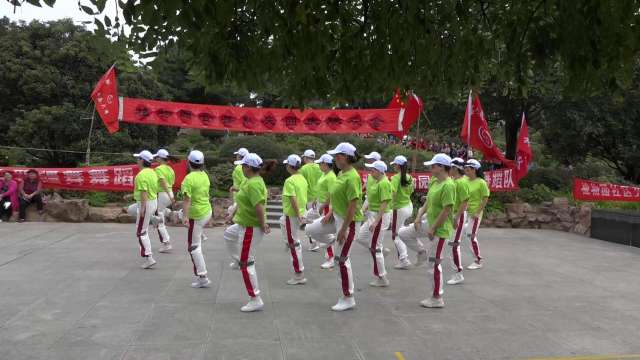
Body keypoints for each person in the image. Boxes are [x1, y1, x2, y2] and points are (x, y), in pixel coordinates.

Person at [305, 142, 363, 311]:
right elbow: (337, 197)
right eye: (335, 156)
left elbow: (353, 205)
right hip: (336, 217)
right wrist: (331, 212)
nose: (335, 159)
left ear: (347, 157)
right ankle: (332, 242)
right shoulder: (341, 174)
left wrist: (344, 229)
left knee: (341, 260)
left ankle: (348, 297)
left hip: (349, 222)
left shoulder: (352, 177)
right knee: (310, 229)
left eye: (338, 156)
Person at [398, 153, 455, 308]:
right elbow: (428, 202)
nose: (430, 168)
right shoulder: (435, 182)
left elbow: (447, 210)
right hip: (428, 222)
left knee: (433, 265)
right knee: (403, 233)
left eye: (433, 165)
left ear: (442, 167)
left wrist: (434, 228)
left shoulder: (449, 185)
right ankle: (421, 252)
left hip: (440, 230)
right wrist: (418, 217)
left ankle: (437, 298)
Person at [224, 153, 274, 312]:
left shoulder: (254, 184)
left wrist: (263, 224)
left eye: (242, 165)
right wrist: (232, 214)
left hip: (251, 227)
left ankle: (255, 298)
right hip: (242, 224)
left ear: (248, 168)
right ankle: (238, 260)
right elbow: (241, 197)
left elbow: (259, 206)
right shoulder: (248, 181)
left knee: (247, 263)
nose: (240, 168)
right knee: (228, 235)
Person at [356, 160, 392, 287]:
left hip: (379, 216)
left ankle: (382, 277)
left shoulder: (384, 183)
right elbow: (370, 199)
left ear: (379, 171)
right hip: (372, 215)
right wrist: (363, 211)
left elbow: (385, 203)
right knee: (360, 237)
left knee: (376, 248)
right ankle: (381, 254)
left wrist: (376, 221)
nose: (371, 172)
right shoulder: (376, 182)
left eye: (373, 170)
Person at [180, 150, 213, 288]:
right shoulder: (204, 175)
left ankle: (203, 277)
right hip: (207, 211)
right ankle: (200, 235)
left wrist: (186, 217)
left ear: (189, 162)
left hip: (197, 215)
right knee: (182, 214)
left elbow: (187, 200)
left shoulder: (188, 179)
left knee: (194, 247)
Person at [280, 154, 308, 285]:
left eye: (287, 164)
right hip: (299, 213)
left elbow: (293, 199)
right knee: (283, 224)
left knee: (294, 243)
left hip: (292, 214)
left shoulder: (289, 181)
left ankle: (299, 274)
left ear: (290, 166)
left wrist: (298, 215)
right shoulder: (302, 178)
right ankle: (288, 242)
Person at [133, 150, 159, 269]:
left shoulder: (141, 175)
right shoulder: (153, 173)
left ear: (142, 160)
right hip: (153, 202)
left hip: (146, 203)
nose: (137, 161)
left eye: (138, 159)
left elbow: (144, 192)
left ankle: (149, 257)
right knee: (143, 229)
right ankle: (153, 218)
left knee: (141, 232)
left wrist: (143, 208)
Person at [446, 158, 470, 285]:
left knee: (454, 245)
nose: (448, 170)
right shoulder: (454, 181)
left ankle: (458, 273)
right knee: (452, 245)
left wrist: (456, 217)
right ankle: (457, 272)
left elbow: (464, 202)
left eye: (450, 167)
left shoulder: (461, 182)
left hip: (458, 215)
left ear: (455, 168)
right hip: (454, 215)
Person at [389, 155, 414, 270]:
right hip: (408, 206)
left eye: (394, 164)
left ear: (398, 165)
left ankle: (404, 259)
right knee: (401, 231)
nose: (393, 166)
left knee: (396, 235)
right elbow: (411, 191)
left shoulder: (395, 178)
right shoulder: (409, 177)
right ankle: (402, 258)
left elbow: (392, 193)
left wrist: (388, 206)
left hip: (399, 208)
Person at [464, 159, 490, 270]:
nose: (466, 171)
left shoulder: (481, 183)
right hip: (465, 211)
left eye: (468, 169)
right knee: (465, 233)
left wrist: (478, 212)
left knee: (471, 236)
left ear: (474, 170)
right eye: (465, 169)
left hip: (475, 213)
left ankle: (478, 260)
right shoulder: (465, 180)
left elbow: (485, 199)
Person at [313, 154, 337, 269]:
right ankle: (329, 255)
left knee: (326, 232)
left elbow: (332, 194)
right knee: (321, 231)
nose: (319, 165)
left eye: (320, 163)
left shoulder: (331, 177)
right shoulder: (324, 174)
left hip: (326, 206)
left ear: (326, 164)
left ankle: (331, 258)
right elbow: (321, 189)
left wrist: (323, 205)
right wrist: (315, 199)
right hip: (321, 203)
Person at [299, 149, 323, 251]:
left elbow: (301, 185)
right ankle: (325, 242)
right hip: (320, 197)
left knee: (310, 221)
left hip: (309, 198)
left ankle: (313, 243)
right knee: (321, 220)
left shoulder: (303, 169)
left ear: (305, 158)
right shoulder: (320, 167)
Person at [152, 149, 175, 252]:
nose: (156, 159)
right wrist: (171, 195)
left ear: (161, 158)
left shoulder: (158, 169)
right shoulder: (170, 169)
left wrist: (169, 195)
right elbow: (171, 182)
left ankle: (166, 242)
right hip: (169, 193)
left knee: (159, 218)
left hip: (163, 194)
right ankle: (176, 214)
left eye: (157, 157)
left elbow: (162, 182)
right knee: (161, 213)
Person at [228, 147, 249, 216]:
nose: (236, 157)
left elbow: (245, 183)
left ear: (240, 157)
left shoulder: (239, 168)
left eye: (237, 155)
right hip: (241, 198)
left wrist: (234, 189)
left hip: (239, 198)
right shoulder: (246, 167)